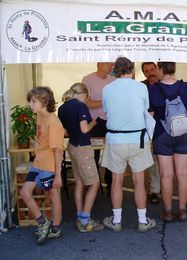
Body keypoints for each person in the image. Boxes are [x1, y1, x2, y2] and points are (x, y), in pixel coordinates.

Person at [148, 62, 187, 222]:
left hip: (162, 133)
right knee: (183, 174)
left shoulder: (153, 89)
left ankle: (168, 211)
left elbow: (150, 112)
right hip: (183, 131)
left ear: (161, 70)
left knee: (166, 175)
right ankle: (182, 210)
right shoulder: (185, 86)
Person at [101, 57, 156, 233]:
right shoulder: (142, 87)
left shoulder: (107, 89)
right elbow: (146, 109)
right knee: (139, 182)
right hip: (138, 139)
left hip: (115, 140)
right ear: (132, 70)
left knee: (116, 181)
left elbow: (106, 111)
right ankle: (142, 221)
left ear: (114, 71)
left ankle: (116, 221)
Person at [19, 86, 65, 244]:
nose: (30, 105)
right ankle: (43, 222)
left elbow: (58, 152)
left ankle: (56, 228)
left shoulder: (54, 123)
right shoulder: (39, 115)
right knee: (25, 193)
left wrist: (58, 175)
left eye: (33, 101)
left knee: (53, 195)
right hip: (38, 163)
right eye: (30, 101)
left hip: (49, 167)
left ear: (44, 102)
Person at [58, 83, 104, 233]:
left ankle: (80, 216)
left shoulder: (62, 108)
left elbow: (64, 132)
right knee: (94, 183)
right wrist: (94, 122)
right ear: (84, 94)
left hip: (71, 145)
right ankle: (85, 219)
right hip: (83, 147)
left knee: (79, 182)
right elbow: (84, 129)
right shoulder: (80, 106)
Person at [82, 62, 115, 195]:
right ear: (99, 63)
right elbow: (86, 103)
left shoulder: (114, 80)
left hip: (111, 121)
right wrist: (106, 101)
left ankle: (110, 184)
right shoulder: (88, 79)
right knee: (93, 155)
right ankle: (92, 185)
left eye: (112, 64)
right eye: (108, 63)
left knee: (112, 154)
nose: (111, 66)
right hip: (95, 122)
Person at [141, 62, 161, 204]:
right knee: (151, 162)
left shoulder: (165, 85)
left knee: (162, 161)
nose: (150, 73)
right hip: (147, 129)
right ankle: (153, 190)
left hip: (164, 129)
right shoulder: (141, 87)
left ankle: (159, 189)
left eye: (152, 69)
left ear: (157, 69)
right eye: (147, 71)